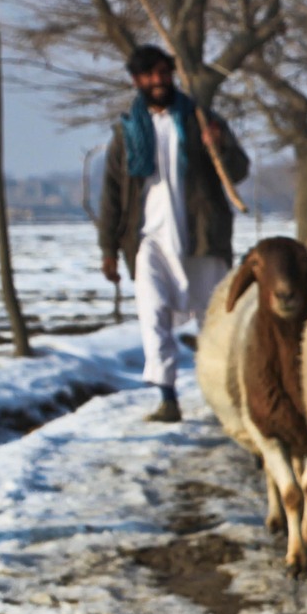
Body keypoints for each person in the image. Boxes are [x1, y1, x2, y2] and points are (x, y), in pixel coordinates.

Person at [97, 44, 249, 422]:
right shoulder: (126, 132)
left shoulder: (201, 120)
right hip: (148, 238)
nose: (158, 81)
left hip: (202, 235)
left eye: (164, 73)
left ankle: (224, 392)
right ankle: (167, 398)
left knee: (213, 319)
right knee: (152, 316)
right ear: (137, 81)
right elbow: (112, 195)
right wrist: (109, 250)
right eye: (149, 75)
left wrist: (220, 145)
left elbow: (238, 169)